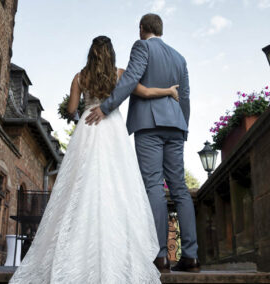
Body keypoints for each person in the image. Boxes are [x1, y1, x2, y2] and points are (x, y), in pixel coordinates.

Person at [8, 35, 179, 284]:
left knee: (80, 183)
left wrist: (73, 105)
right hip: (113, 129)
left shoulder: (80, 77)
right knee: (118, 185)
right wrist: (169, 91)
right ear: (111, 53)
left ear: (91, 53)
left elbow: (71, 109)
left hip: (88, 128)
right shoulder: (120, 74)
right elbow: (145, 91)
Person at [86, 13, 201, 273]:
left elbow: (130, 79)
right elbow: (185, 97)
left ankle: (160, 256)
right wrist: (184, 125)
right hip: (176, 125)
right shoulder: (179, 57)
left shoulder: (142, 46)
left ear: (142, 29)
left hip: (149, 125)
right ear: (160, 29)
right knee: (180, 188)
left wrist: (106, 107)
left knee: (153, 187)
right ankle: (191, 256)